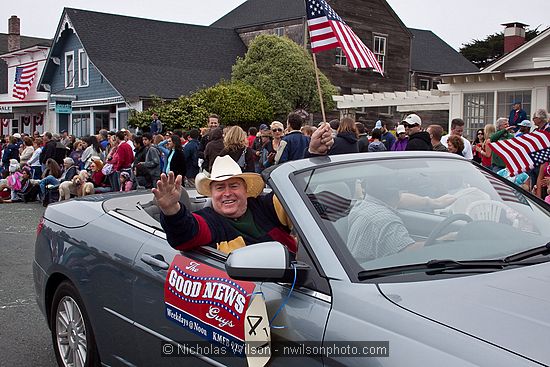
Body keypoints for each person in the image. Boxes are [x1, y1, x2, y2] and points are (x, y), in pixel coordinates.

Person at [155, 123, 334, 254]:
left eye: (233, 186)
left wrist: (313, 154)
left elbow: (298, 196)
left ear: (245, 190)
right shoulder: (209, 220)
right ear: (212, 193)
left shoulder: (265, 206)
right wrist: (171, 210)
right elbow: (184, 234)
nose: (227, 193)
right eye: (219, 188)